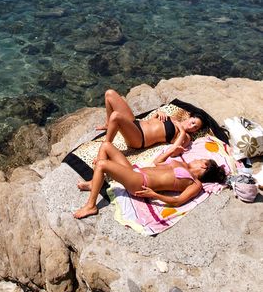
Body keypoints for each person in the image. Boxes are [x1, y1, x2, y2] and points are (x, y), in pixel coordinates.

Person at [73, 141, 227, 219]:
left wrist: (155, 195)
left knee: (102, 164)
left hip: (140, 183)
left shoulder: (195, 183)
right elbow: (158, 163)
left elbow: (179, 201)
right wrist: (171, 151)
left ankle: (91, 206)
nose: (197, 158)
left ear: (204, 167)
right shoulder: (182, 162)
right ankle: (95, 182)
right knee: (106, 145)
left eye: (201, 159)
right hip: (135, 172)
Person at [95, 89, 229, 151]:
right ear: (189, 117)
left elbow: (175, 151)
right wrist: (158, 113)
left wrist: (181, 130)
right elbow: (151, 121)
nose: (192, 126)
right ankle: (109, 124)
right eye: (193, 122)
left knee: (116, 116)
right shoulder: (173, 117)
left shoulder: (186, 137)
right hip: (135, 124)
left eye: (196, 128)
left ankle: (105, 149)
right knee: (109, 94)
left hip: (139, 138)